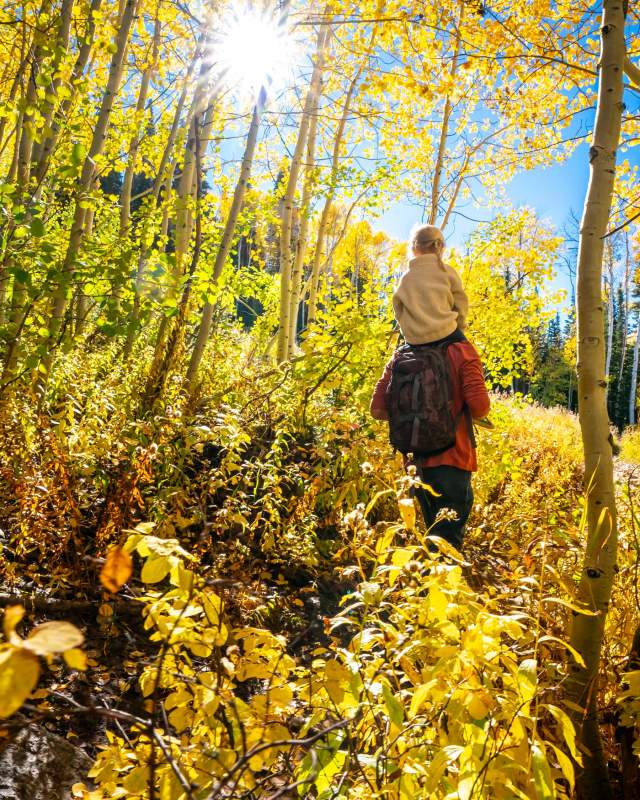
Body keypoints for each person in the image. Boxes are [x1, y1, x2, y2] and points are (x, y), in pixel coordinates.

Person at [369, 225, 491, 551]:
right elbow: (479, 406)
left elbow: (378, 410)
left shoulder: (401, 355)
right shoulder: (461, 351)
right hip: (454, 460)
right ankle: (440, 599)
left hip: (416, 463)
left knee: (430, 541)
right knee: (448, 547)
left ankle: (427, 596)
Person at [392, 223, 468, 346]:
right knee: (470, 359)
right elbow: (461, 304)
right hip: (447, 332)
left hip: (415, 340)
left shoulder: (406, 278)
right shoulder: (447, 271)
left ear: (413, 247)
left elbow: (398, 308)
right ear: (441, 247)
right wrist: (460, 327)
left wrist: (409, 330)